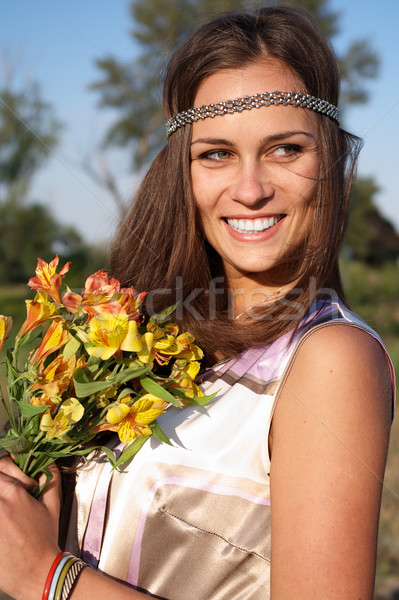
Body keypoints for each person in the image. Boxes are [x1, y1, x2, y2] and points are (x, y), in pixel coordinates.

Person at [0, 6, 395, 600]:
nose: (251, 188)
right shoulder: (150, 336)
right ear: (181, 173)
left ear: (330, 162)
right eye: (216, 154)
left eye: (285, 149)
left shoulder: (328, 361)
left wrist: (47, 577)